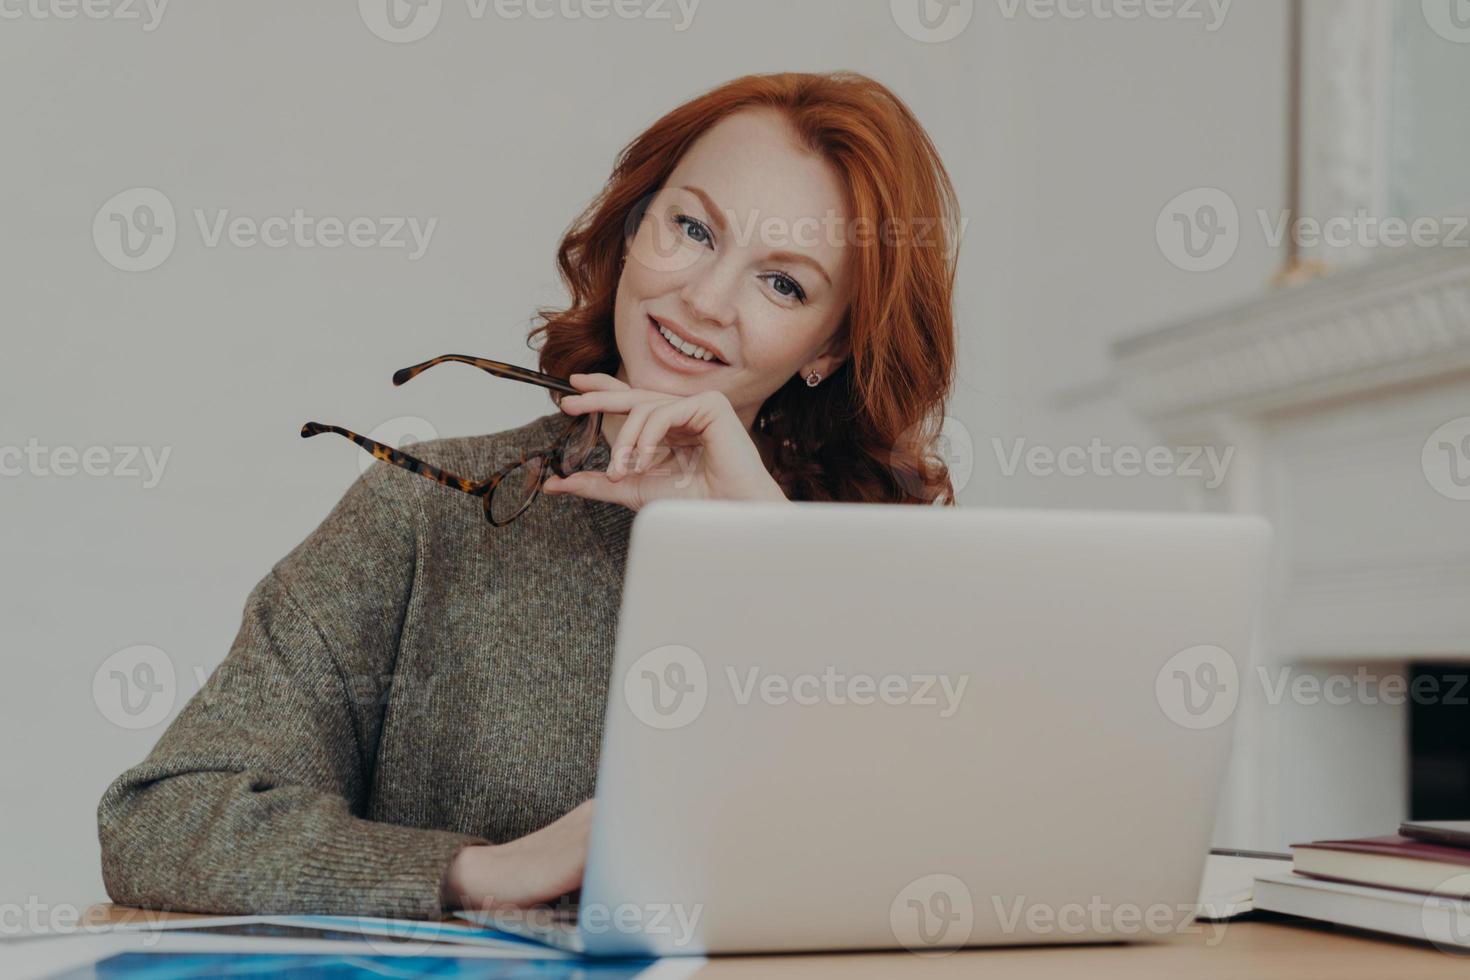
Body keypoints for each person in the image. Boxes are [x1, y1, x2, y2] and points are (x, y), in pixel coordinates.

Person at [96, 70, 961, 920]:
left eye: (783, 283)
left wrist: (772, 566)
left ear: (830, 348)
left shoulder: (885, 574)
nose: (703, 299)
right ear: (632, 229)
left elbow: (948, 862)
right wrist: (478, 872)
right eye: (693, 228)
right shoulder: (423, 513)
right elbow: (160, 819)